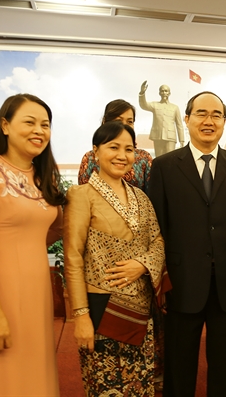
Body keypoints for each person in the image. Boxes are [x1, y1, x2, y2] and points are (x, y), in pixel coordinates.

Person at [148, 91, 226, 397]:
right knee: (179, 362)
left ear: (224, 122)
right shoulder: (164, 166)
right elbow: (156, 230)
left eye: (216, 115)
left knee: (225, 363)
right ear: (187, 119)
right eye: (201, 113)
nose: (209, 120)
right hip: (181, 280)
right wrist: (159, 280)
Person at [0, 93, 66, 396]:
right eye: (29, 122)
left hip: (36, 292)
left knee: (33, 373)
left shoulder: (44, 178)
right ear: (5, 126)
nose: (39, 131)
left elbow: (52, 230)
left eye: (45, 125)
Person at [64, 121, 171, 396]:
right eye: (114, 147)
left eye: (129, 149)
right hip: (101, 309)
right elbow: (73, 258)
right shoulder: (81, 195)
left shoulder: (141, 198)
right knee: (106, 386)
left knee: (140, 384)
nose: (122, 155)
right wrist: (80, 316)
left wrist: (142, 264)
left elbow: (158, 242)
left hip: (140, 310)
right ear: (95, 152)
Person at [78, 99, 153, 191]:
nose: (124, 125)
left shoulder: (144, 158)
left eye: (130, 122)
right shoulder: (90, 158)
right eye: (118, 121)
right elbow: (84, 192)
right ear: (105, 122)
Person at [139, 81, 185, 157]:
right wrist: (142, 93)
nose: (164, 93)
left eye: (166, 91)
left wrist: (182, 140)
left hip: (170, 137)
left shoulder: (175, 107)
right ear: (159, 93)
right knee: (159, 158)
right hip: (158, 136)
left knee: (170, 158)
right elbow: (144, 105)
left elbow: (179, 125)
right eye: (162, 91)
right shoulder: (155, 105)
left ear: (169, 93)